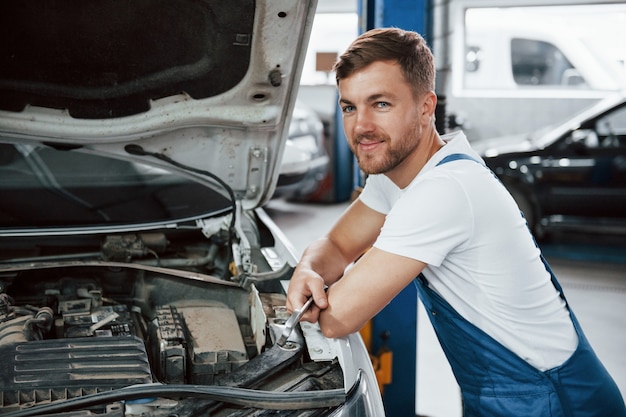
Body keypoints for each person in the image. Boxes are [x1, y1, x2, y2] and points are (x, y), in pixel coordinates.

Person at [286, 27, 625, 416]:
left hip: (553, 399)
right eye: (349, 106)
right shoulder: (399, 174)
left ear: (426, 107)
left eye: (380, 104)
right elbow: (337, 245)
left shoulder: (444, 189)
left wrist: (316, 285)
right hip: (499, 389)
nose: (360, 125)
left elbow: (337, 317)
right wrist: (309, 268)